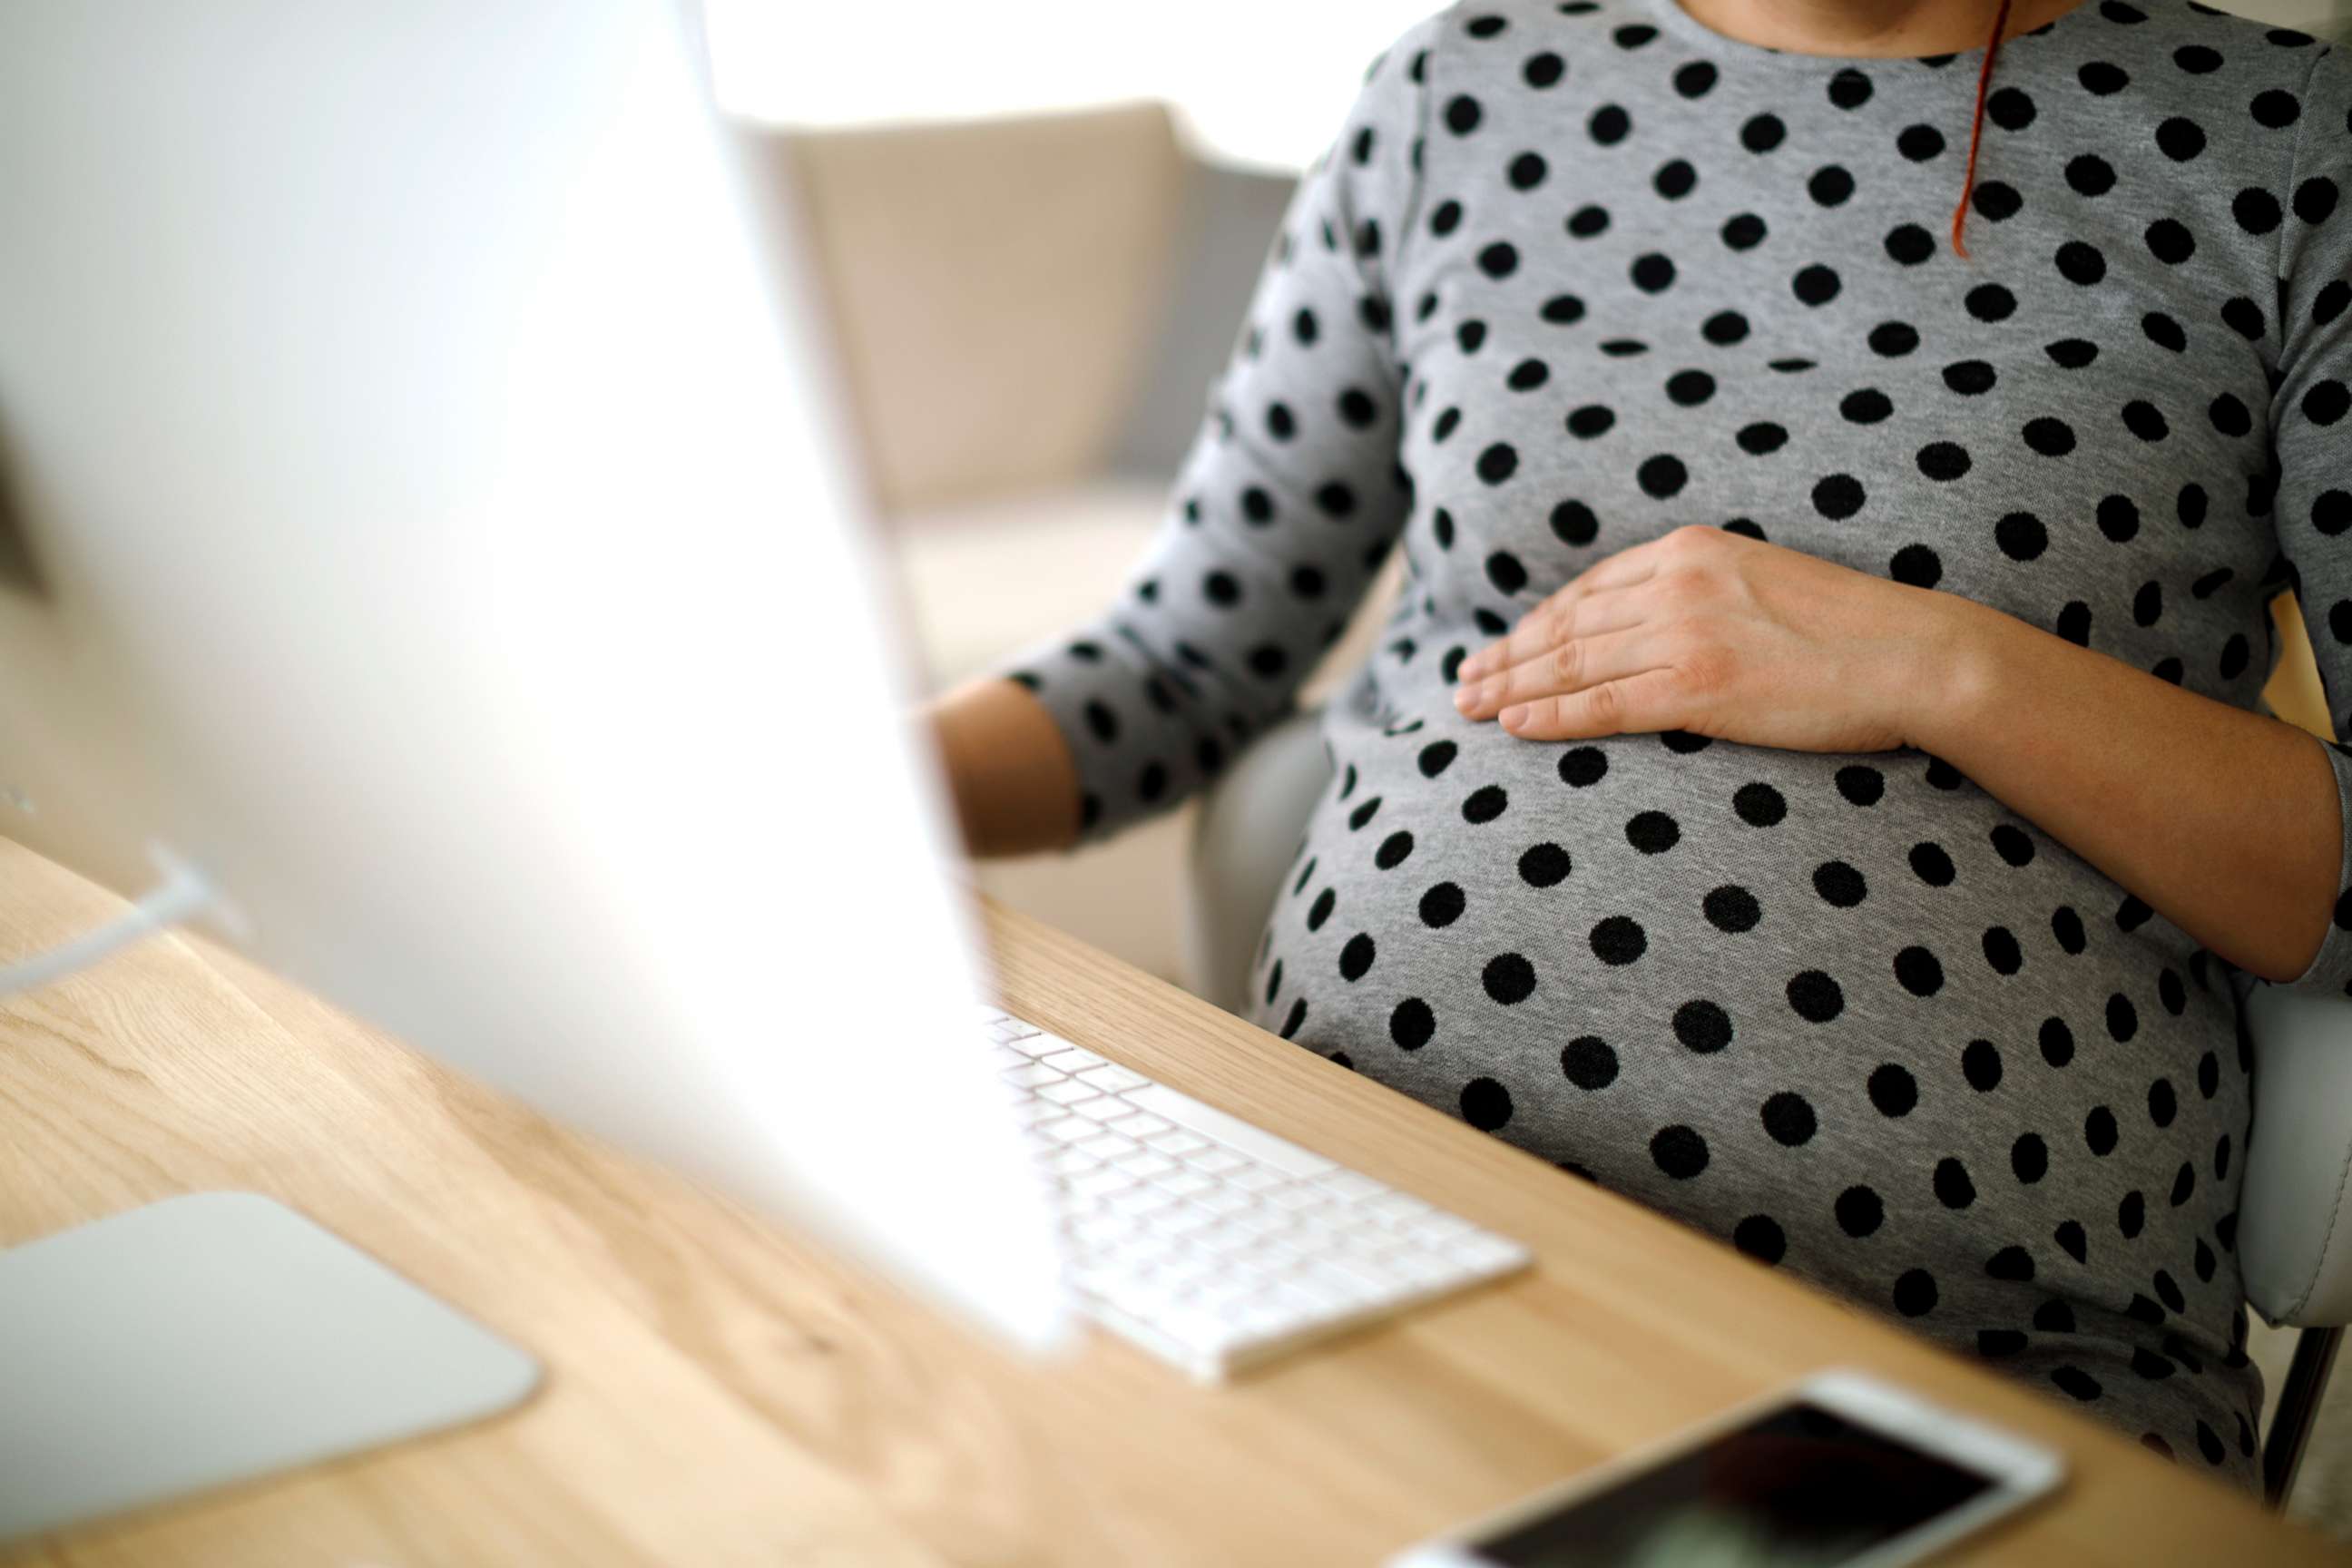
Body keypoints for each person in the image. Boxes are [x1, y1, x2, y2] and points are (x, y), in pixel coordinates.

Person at [926, 0, 2352, 1486]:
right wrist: (794, 784)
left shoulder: (2282, 147)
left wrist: (1943, 665)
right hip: (1340, 1236)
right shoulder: (1456, 96)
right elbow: (1178, 658)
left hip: (1947, 1360)